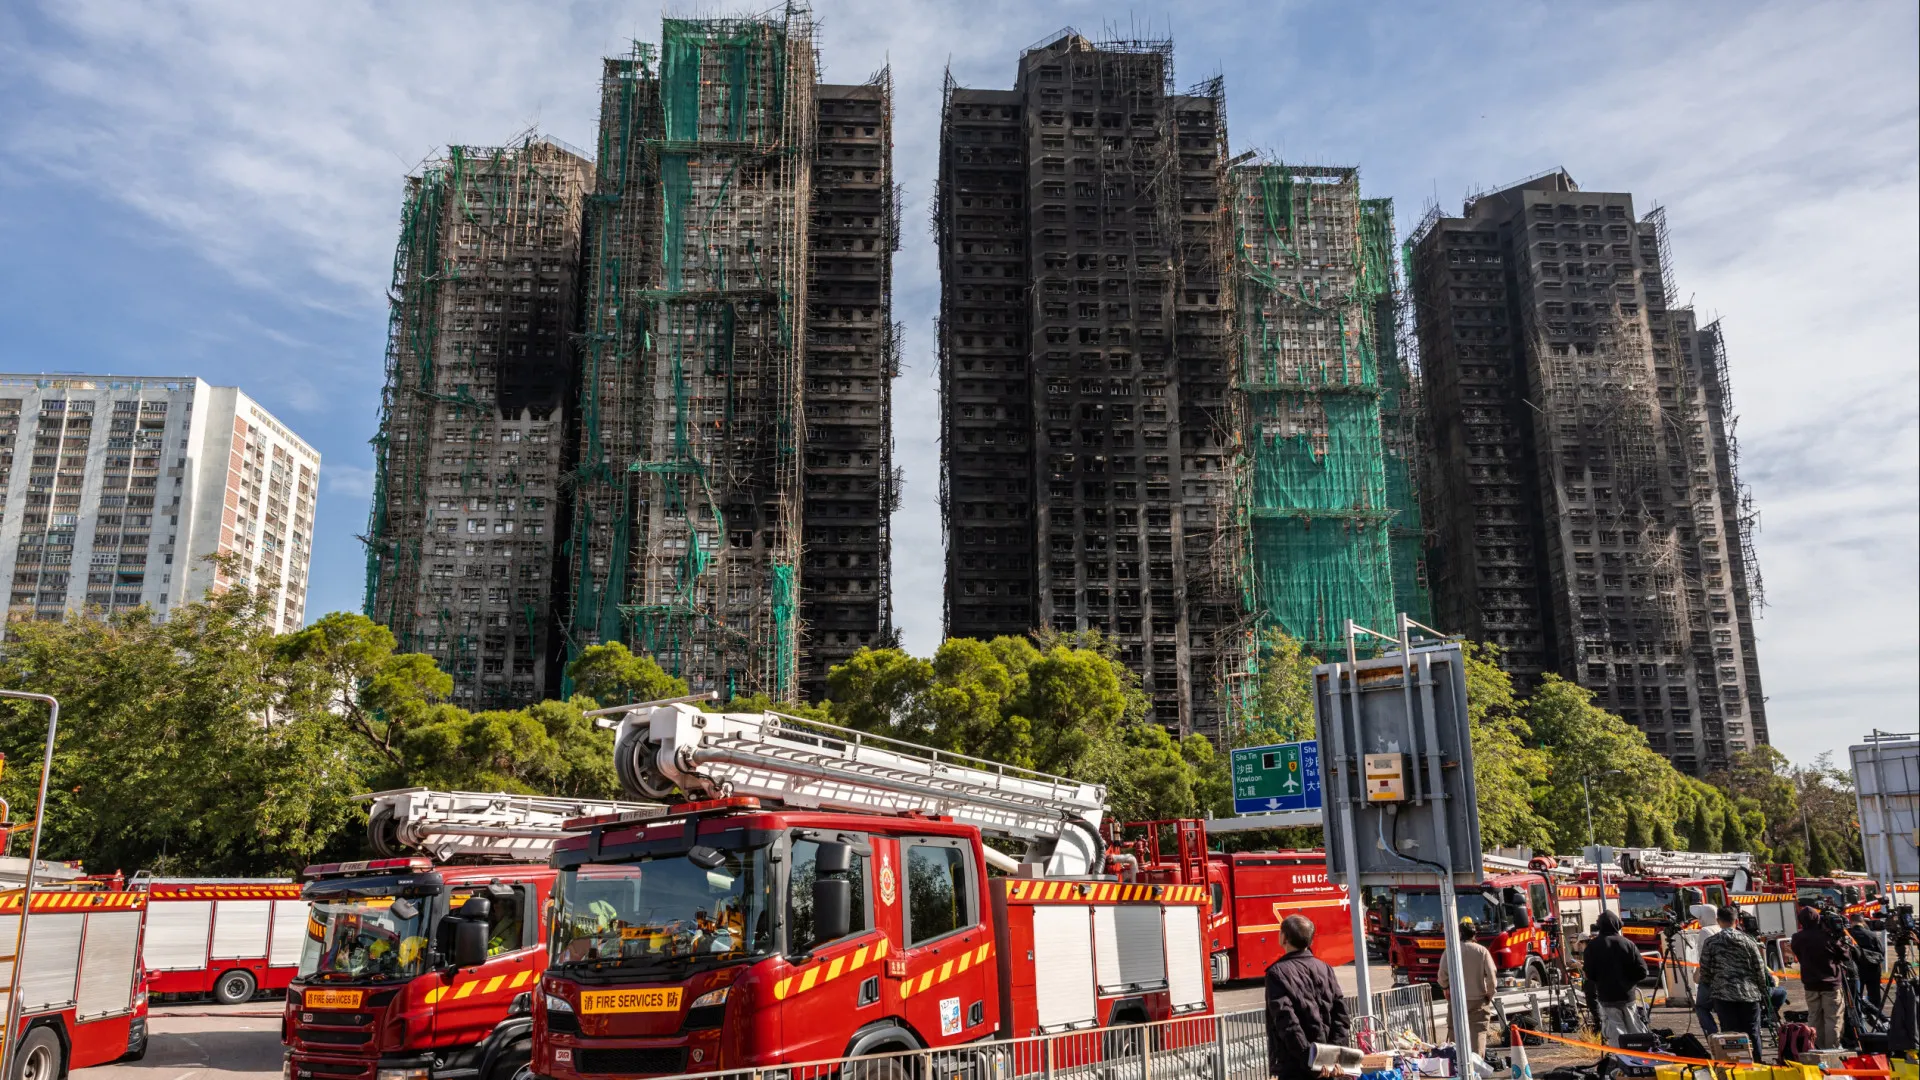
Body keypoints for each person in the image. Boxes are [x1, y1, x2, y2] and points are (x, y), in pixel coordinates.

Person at [1265, 913, 1353, 1080]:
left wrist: (1312, 1061)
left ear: (1284, 938)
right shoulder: (1325, 968)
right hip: (1330, 1067)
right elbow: (1341, 1016)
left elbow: (1288, 1024)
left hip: (1297, 1066)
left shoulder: (1277, 973)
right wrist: (1334, 1057)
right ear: (1310, 941)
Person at [1698, 905, 1771, 1057]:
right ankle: (1757, 1063)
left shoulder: (1711, 942)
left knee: (1729, 1034)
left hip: (1723, 994)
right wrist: (1763, 990)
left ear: (1718, 921)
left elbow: (1705, 970)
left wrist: (1713, 983)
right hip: (1749, 994)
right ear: (1736, 921)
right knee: (1752, 1032)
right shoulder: (1748, 941)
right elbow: (1759, 968)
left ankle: (1734, 1064)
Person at [1790, 905, 1853, 1049]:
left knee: (1814, 1017)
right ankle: (1832, 1048)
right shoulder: (1827, 937)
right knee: (1833, 1018)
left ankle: (1815, 1048)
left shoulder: (1797, 938)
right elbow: (1845, 955)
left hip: (1810, 984)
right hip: (1830, 984)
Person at [1585, 910, 1651, 1045]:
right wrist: (1629, 982)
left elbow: (1590, 974)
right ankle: (1639, 1056)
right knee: (1635, 1029)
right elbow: (1643, 971)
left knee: (1615, 1033)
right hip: (1627, 996)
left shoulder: (1592, 946)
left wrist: (1602, 981)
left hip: (1606, 996)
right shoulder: (1628, 944)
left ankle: (1620, 1058)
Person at [1438, 917, 1499, 1061]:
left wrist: (1446, 987)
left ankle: (1457, 1065)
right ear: (1474, 935)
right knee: (1478, 1033)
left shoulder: (1450, 951)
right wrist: (1489, 994)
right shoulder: (1482, 951)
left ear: (1459, 934)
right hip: (1478, 999)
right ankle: (1476, 1068)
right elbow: (1491, 976)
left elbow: (1442, 975)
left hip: (1457, 1000)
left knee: (1455, 1033)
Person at [1851, 914, 1887, 1013]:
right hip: (1873, 968)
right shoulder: (1872, 934)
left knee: (1855, 995)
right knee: (1875, 995)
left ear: (1851, 922)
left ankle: (1857, 1014)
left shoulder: (1849, 935)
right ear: (1863, 922)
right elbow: (1881, 952)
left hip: (1856, 969)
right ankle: (1876, 1015)